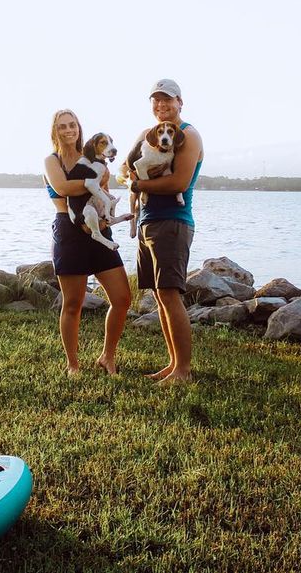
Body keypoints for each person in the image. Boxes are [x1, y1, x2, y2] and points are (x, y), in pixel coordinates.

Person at [43, 109, 132, 377]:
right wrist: (93, 181)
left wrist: (104, 207)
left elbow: (104, 192)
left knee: (122, 298)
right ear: (55, 131)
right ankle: (73, 365)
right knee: (73, 303)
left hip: (98, 229)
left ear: (79, 128)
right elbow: (62, 189)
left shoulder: (93, 155)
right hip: (68, 233)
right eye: (62, 127)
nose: (69, 130)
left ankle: (108, 356)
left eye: (72, 125)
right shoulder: (52, 160)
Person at [126, 79, 204, 383]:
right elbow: (126, 168)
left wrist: (139, 184)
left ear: (180, 102)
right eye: (156, 101)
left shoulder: (189, 135)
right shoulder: (150, 137)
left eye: (167, 100)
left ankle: (183, 370)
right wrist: (132, 180)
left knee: (170, 294)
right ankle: (173, 366)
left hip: (172, 221)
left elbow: (178, 183)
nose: (161, 106)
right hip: (149, 220)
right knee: (160, 296)